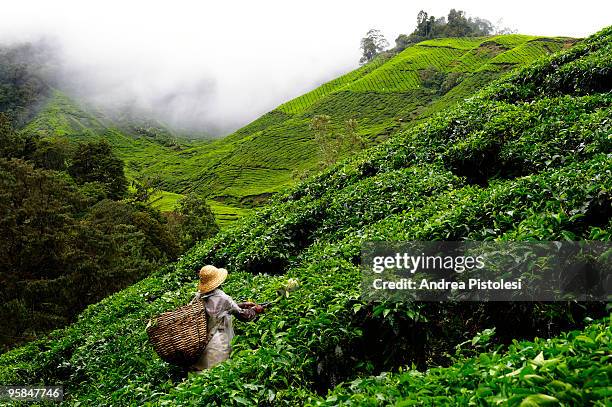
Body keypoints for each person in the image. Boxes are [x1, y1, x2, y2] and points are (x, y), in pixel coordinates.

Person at [189, 265, 263, 371]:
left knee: (202, 378)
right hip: (217, 345)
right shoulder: (223, 298)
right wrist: (256, 310)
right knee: (219, 372)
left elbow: (215, 311)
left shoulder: (198, 297)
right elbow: (244, 316)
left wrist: (241, 304)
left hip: (201, 345)